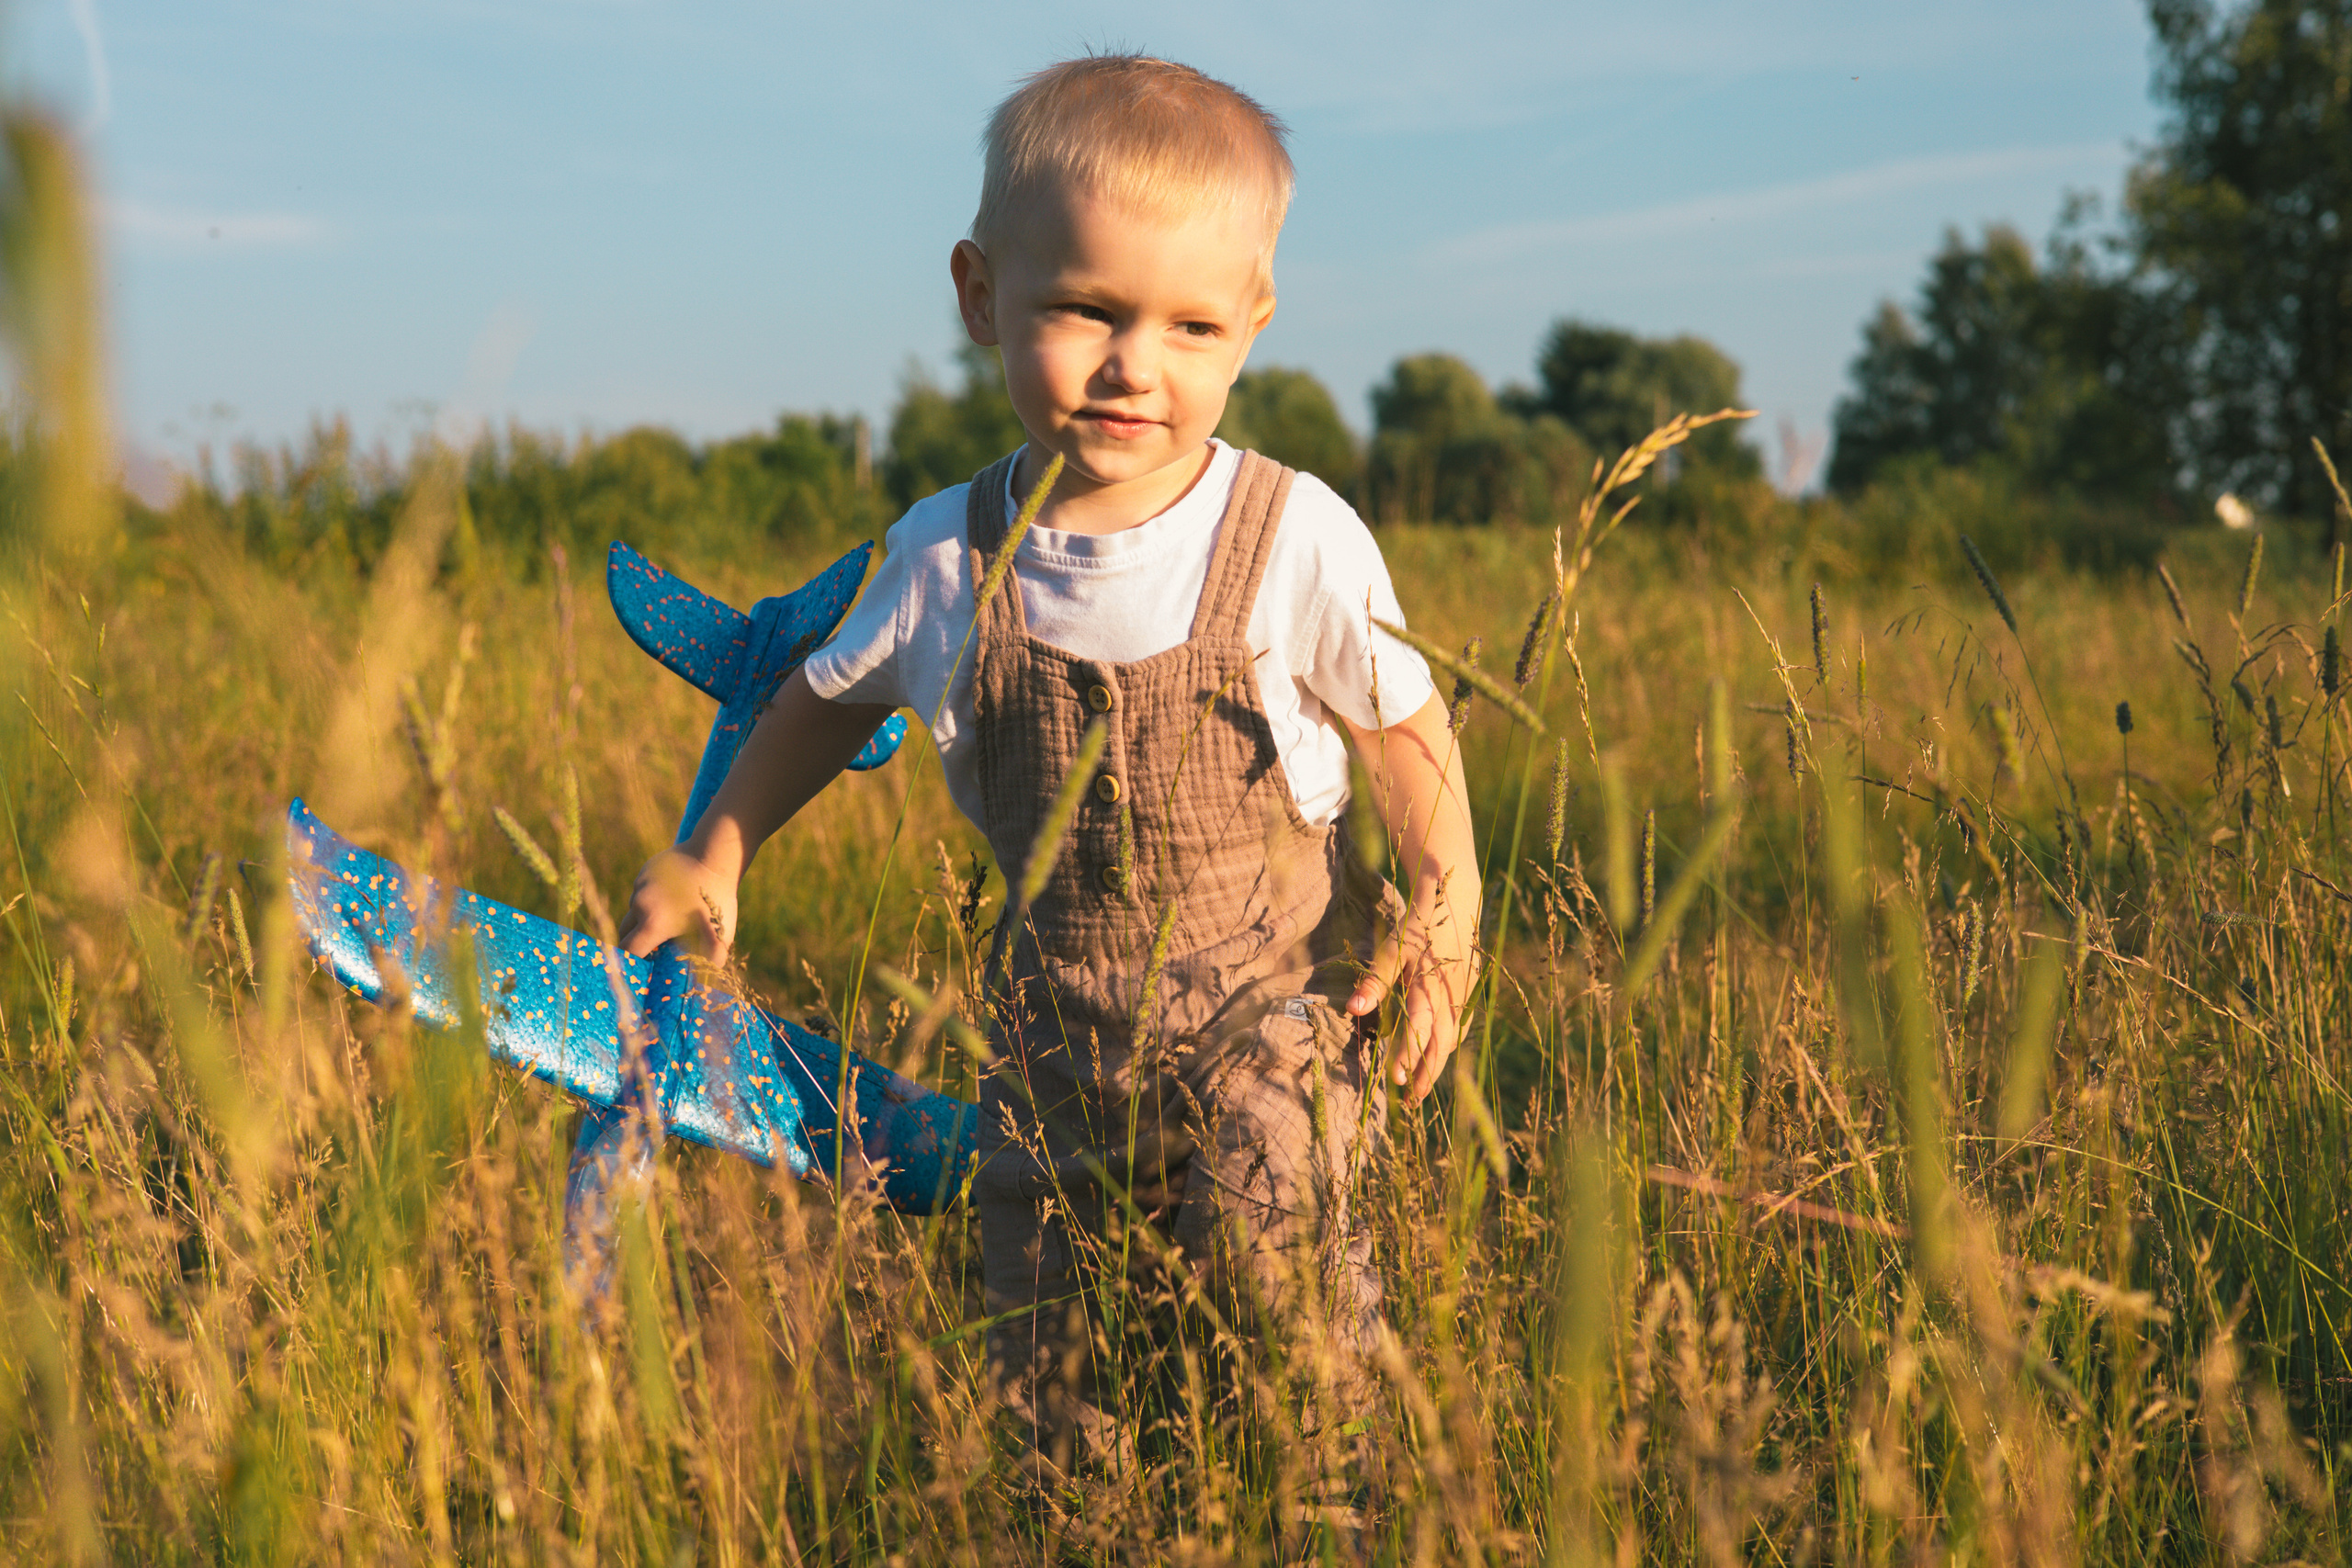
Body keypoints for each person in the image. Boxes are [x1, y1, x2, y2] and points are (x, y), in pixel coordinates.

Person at [619, 53, 1478, 1487]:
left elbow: (1404, 727)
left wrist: (1444, 903)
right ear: (979, 297)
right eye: (1087, 308)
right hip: (1056, 1046)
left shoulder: (1293, 533)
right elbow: (822, 705)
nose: (1138, 363)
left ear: (1252, 324)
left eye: (1192, 324)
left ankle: (1333, 1499)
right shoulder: (947, 555)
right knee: (1044, 1369)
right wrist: (721, 849)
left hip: (1272, 1018)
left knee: (1279, 1244)